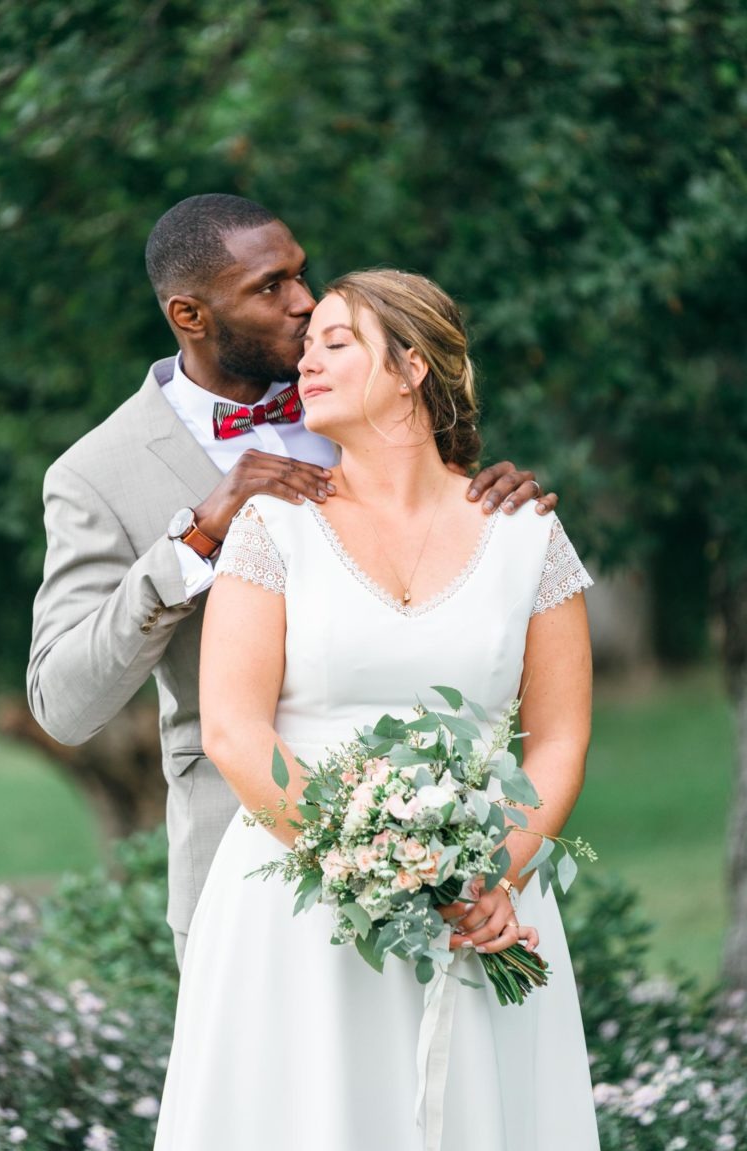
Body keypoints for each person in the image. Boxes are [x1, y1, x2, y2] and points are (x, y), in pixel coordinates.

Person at [26, 195, 555, 967]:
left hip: (442, 842)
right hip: (240, 862)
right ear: (190, 314)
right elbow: (63, 705)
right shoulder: (94, 475)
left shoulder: (357, 396)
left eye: (302, 274)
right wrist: (197, 537)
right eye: (270, 287)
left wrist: (494, 499)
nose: (305, 303)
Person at [153, 269, 598, 1150]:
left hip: (484, 904)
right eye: (306, 343)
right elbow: (235, 731)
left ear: (413, 366)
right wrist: (383, 866)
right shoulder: (273, 527)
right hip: (298, 905)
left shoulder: (528, 535)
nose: (303, 361)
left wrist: (482, 883)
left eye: (335, 342)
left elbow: (559, 737)